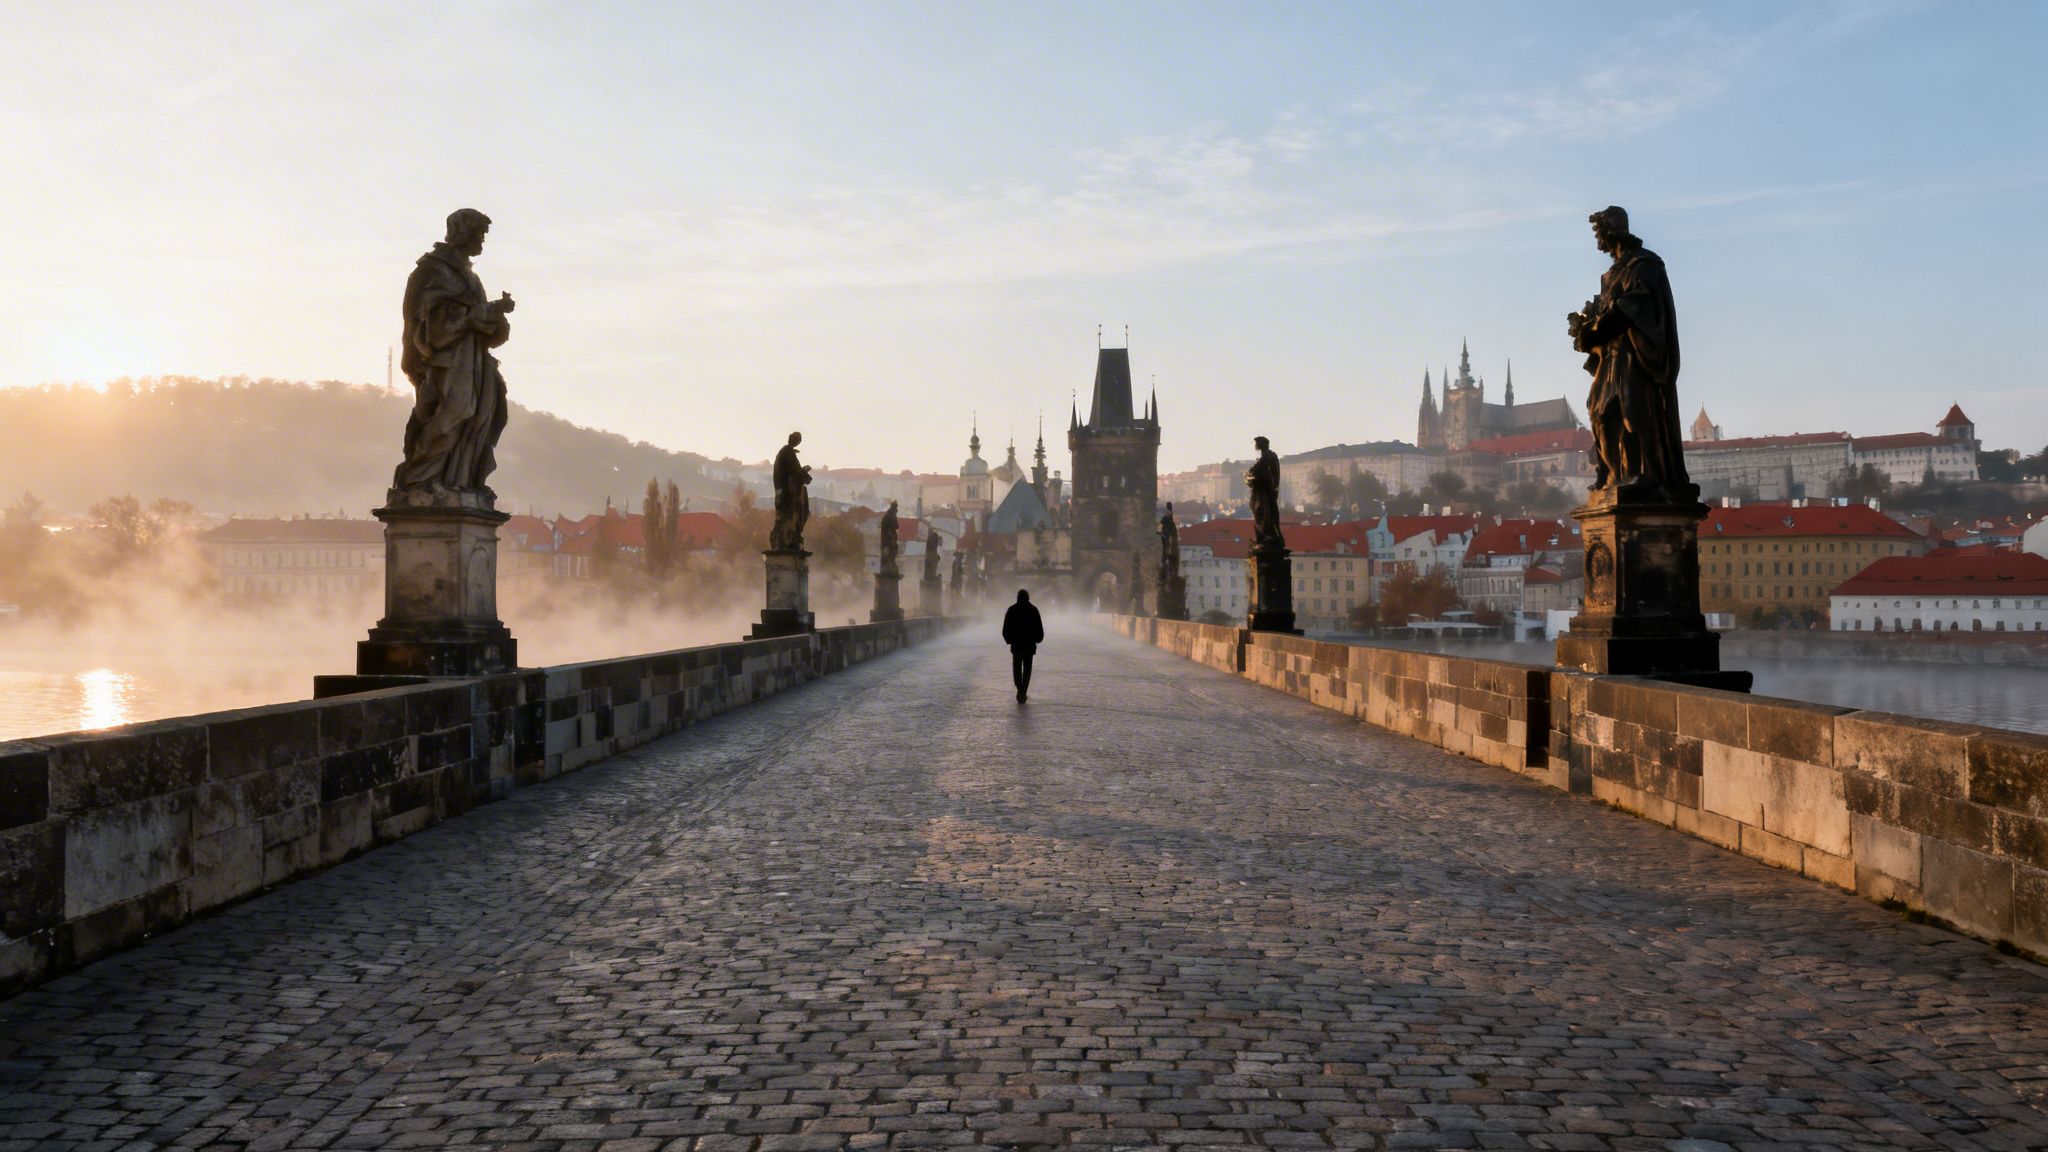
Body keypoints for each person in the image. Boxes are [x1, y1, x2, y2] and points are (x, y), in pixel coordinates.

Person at [1568, 206, 1689, 495]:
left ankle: (1645, 473)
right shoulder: (1610, 275)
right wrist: (1585, 329)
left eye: (1598, 232)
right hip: (1610, 358)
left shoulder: (1645, 265)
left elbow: (1634, 306)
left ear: (1612, 230)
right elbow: (1606, 311)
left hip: (1634, 355)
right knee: (1599, 413)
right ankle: (1611, 474)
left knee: (1633, 411)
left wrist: (1598, 325)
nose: (1597, 240)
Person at [395, 208, 514, 497]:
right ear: (464, 233)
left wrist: (494, 315)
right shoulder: (432, 270)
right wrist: (478, 315)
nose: (482, 242)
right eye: (479, 235)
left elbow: (482, 326)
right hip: (446, 361)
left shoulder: (468, 276)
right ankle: (419, 481)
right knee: (455, 412)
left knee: (484, 416)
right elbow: (429, 322)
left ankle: (459, 483)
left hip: (474, 360)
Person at [1001, 588, 1044, 703]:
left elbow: (1005, 629)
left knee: (1017, 668)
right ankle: (1023, 691)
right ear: (1028, 598)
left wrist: (1010, 640)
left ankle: (1020, 689)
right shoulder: (1034, 610)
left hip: (1017, 645)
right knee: (1027, 669)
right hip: (1029, 646)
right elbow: (1040, 630)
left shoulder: (1012, 610)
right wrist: (1037, 639)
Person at [769, 432, 811, 549]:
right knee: (793, 513)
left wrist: (803, 474)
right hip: (787, 491)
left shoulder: (786, 452)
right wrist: (804, 472)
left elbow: (794, 471)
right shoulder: (787, 453)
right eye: (798, 440)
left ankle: (790, 537)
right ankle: (788, 538)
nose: (798, 442)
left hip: (784, 490)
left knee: (791, 514)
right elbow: (794, 472)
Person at [1246, 436, 1282, 547]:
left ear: (1261, 444)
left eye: (1256, 443)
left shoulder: (1269, 456)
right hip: (1263, 490)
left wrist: (1251, 476)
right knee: (1259, 511)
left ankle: (1269, 535)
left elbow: (1258, 470)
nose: (1255, 445)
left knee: (1263, 511)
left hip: (1265, 491)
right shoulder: (1266, 456)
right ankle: (1264, 535)